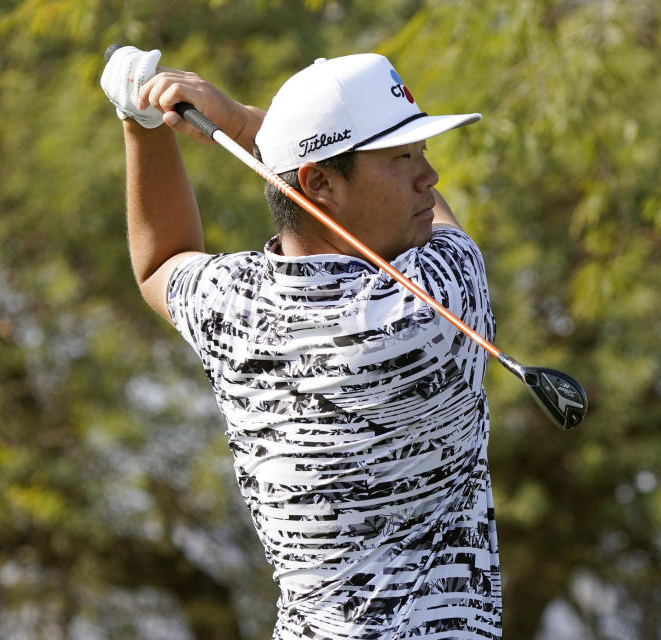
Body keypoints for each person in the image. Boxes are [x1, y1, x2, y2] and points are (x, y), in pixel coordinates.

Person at [101, 45, 501, 640]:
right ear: (320, 185)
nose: (429, 176)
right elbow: (443, 220)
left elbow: (160, 261)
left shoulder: (231, 304)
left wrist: (141, 119)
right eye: (400, 157)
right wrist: (235, 119)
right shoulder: (438, 299)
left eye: (422, 151)